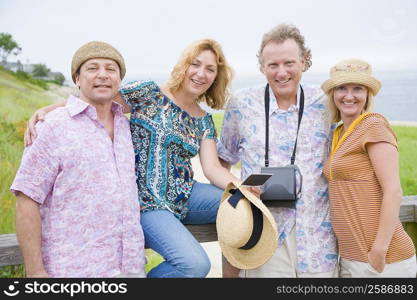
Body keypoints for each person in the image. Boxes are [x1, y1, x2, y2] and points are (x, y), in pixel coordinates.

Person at [25, 39, 241, 278]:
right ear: (184, 66)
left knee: (242, 205)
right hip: (145, 201)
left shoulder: (204, 120)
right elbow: (96, 98)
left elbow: (212, 169)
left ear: (216, 77)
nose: (201, 73)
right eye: (196, 64)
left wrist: (244, 188)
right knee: (194, 265)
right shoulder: (149, 93)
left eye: (210, 69)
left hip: (185, 194)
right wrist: (49, 110)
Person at [11, 41, 146, 277]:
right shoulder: (53, 126)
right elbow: (26, 198)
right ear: (77, 78)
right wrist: (35, 272)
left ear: (119, 80)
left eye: (111, 69)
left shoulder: (126, 126)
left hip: (129, 268)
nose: (103, 75)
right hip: (73, 271)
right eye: (93, 68)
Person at [217, 23, 338, 277]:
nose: (281, 72)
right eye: (273, 65)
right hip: (263, 233)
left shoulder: (327, 102)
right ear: (262, 67)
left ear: (304, 61)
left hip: (317, 237)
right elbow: (223, 159)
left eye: (289, 63)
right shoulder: (241, 104)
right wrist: (236, 200)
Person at [321, 58, 416, 277]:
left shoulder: (373, 126)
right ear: (333, 94)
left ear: (367, 95)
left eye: (358, 89)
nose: (349, 95)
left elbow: (393, 191)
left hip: (383, 260)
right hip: (350, 257)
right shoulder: (338, 133)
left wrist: (379, 252)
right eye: (342, 88)